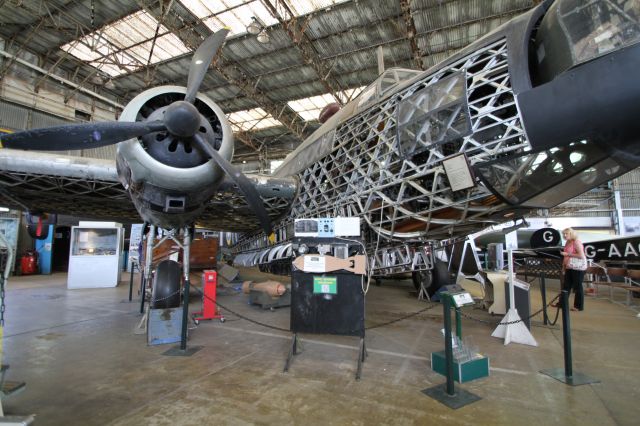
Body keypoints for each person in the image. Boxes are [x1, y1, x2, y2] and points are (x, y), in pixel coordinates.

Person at [557, 227, 587, 311]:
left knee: (577, 286)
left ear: (571, 234)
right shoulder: (567, 242)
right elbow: (565, 256)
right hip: (569, 266)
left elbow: (581, 255)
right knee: (566, 285)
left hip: (578, 268)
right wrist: (563, 267)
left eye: (567, 234)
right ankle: (562, 304)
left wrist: (568, 254)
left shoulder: (576, 242)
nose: (565, 235)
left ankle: (578, 306)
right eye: (564, 234)